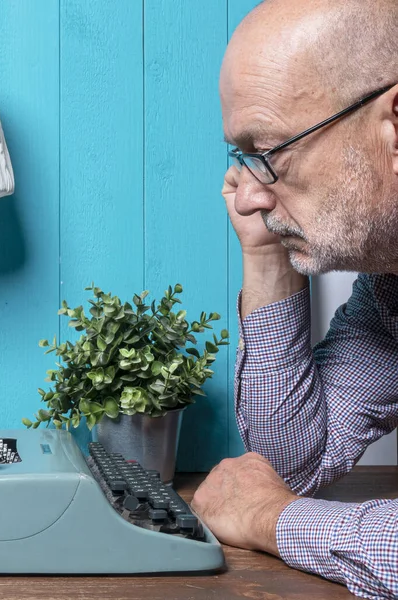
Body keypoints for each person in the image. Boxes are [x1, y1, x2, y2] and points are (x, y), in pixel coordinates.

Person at [190, 0, 398, 598]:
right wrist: (265, 254)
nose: (250, 197)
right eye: (244, 157)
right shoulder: (388, 287)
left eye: (272, 151)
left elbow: (273, 496)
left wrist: (272, 520)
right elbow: (293, 462)